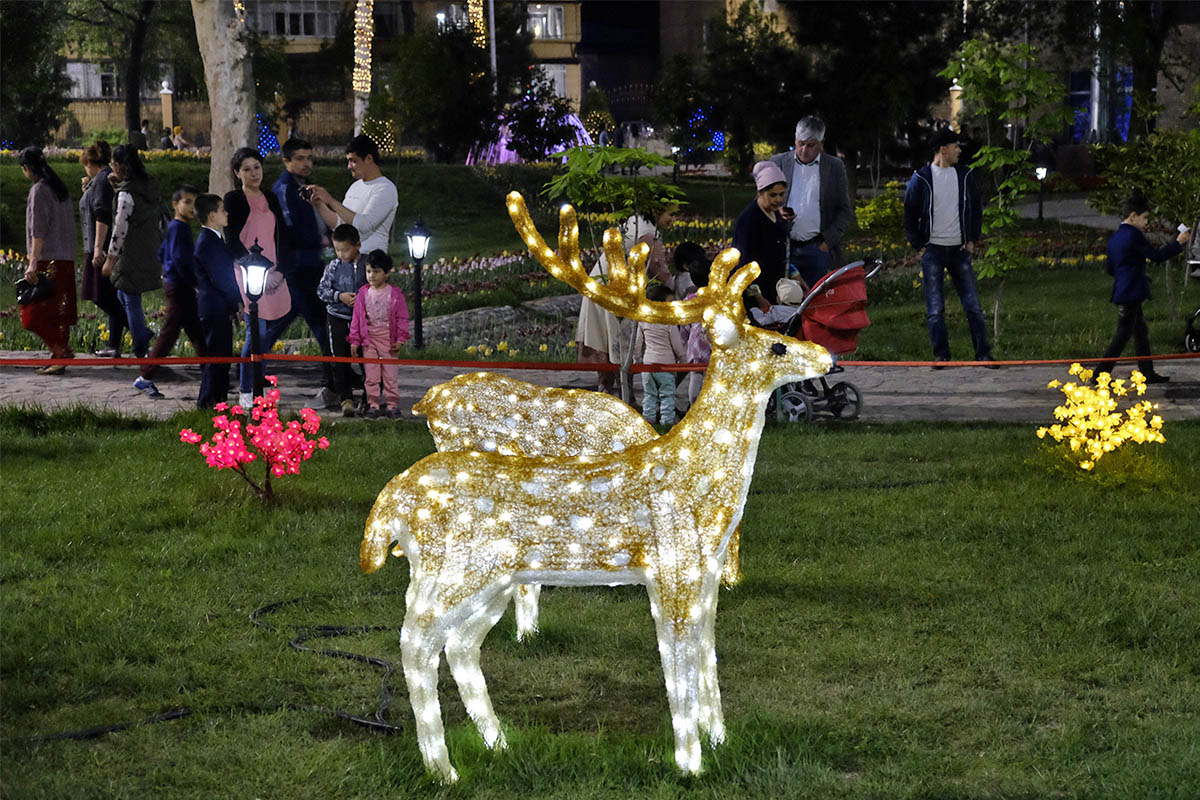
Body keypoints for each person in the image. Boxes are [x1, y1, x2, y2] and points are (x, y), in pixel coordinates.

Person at [902, 128, 994, 367]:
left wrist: (972, 239)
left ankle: (982, 353)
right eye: (956, 146)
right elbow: (909, 213)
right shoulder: (921, 178)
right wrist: (919, 245)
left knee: (973, 306)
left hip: (959, 250)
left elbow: (975, 208)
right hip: (933, 251)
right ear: (943, 150)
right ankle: (941, 355)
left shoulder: (964, 175)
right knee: (935, 308)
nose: (959, 151)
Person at [575, 204, 677, 395]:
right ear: (656, 211)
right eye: (670, 214)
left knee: (607, 338)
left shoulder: (633, 222)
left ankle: (607, 388)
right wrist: (675, 290)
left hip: (600, 283)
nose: (673, 220)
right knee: (623, 340)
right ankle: (626, 393)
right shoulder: (648, 233)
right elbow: (658, 269)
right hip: (616, 289)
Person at [1092, 192, 1190, 383]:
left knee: (1140, 332)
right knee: (1123, 334)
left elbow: (1111, 268)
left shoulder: (1116, 237)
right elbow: (1157, 256)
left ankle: (1147, 372)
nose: (1146, 223)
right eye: (1144, 218)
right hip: (1131, 292)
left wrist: (1132, 273)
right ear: (1133, 216)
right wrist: (1178, 243)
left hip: (1124, 289)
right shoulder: (1134, 235)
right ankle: (1100, 374)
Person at [270, 137, 336, 408]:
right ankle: (334, 376)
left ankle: (249, 367)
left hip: (310, 262)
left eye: (309, 158)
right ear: (286, 161)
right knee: (319, 321)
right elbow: (287, 228)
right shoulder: (284, 189)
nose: (306, 163)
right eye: (299, 158)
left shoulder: (304, 187)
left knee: (284, 320)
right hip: (298, 265)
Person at [224, 146, 291, 409]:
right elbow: (231, 239)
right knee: (256, 330)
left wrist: (280, 270)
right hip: (248, 271)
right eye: (247, 169)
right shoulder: (234, 199)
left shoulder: (270, 197)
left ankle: (258, 380)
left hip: (273, 271)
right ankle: (246, 392)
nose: (253, 173)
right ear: (237, 173)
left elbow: (282, 234)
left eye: (257, 167)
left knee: (275, 323)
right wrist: (256, 269)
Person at [134, 185, 207, 398]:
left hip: (177, 284)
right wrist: (194, 282)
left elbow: (162, 253)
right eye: (187, 202)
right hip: (180, 286)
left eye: (195, 203)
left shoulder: (176, 227)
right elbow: (179, 259)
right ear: (175, 205)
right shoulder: (179, 228)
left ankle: (211, 373)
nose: (192, 207)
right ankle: (145, 377)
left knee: (196, 332)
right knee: (170, 333)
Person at [769, 116, 855, 288]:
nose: (804, 150)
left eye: (811, 145)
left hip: (816, 249)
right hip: (783, 246)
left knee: (817, 299)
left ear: (821, 143)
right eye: (800, 144)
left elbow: (845, 211)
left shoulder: (834, 167)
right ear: (795, 139)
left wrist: (826, 243)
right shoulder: (778, 162)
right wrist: (778, 213)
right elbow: (761, 203)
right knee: (782, 298)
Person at [18, 146, 78, 374]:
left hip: (47, 259)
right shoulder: (59, 189)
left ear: (26, 168)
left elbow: (38, 230)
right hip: (66, 259)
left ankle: (61, 352)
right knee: (58, 314)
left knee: (31, 314)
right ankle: (59, 353)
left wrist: (33, 261)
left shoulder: (39, 190)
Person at [102, 144, 162, 361]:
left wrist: (110, 261)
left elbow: (120, 229)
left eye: (113, 163)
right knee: (123, 296)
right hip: (149, 249)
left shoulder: (126, 194)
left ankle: (141, 347)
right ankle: (125, 342)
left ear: (119, 165)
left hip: (131, 254)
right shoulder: (147, 187)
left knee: (130, 300)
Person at [306, 134, 397, 255]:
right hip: (347, 261)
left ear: (369, 159)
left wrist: (331, 201)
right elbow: (340, 225)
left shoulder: (385, 188)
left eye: (353, 161)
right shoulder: (355, 187)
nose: (349, 167)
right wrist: (319, 204)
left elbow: (364, 225)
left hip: (371, 261)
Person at [348, 249, 411, 419]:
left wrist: (401, 339)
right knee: (371, 376)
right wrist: (355, 340)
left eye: (376, 272)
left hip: (389, 340)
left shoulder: (395, 294)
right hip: (369, 341)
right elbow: (357, 319)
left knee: (390, 375)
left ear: (387, 273)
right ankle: (373, 405)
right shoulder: (363, 293)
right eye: (369, 271)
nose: (371, 276)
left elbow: (402, 317)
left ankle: (392, 405)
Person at [78, 140, 125, 358]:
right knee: (110, 295)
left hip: (99, 246)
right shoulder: (102, 180)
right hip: (102, 245)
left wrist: (98, 249)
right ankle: (114, 343)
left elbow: (101, 215)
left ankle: (140, 332)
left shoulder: (100, 181)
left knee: (101, 295)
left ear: (89, 162)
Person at [193, 194, 241, 408]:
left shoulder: (213, 239)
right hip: (214, 307)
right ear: (212, 215)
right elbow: (222, 278)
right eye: (222, 210)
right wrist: (236, 302)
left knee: (221, 357)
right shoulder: (208, 242)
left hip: (216, 306)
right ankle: (209, 402)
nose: (226, 213)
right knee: (216, 357)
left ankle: (217, 401)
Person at [317, 223, 369, 416]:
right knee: (339, 360)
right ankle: (346, 399)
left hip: (363, 321)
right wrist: (339, 296)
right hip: (337, 318)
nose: (341, 254)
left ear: (357, 246)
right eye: (337, 250)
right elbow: (322, 290)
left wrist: (363, 299)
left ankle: (369, 397)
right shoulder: (333, 267)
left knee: (367, 360)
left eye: (345, 250)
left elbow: (378, 287)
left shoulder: (368, 266)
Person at [732, 161, 791, 303]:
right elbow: (744, 264)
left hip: (774, 286)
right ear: (760, 193)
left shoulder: (775, 214)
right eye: (773, 195)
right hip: (755, 293)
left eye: (781, 194)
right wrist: (758, 297)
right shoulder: (749, 220)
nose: (778, 200)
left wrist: (795, 275)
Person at [633, 283, 685, 426]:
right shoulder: (669, 322)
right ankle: (667, 422)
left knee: (649, 395)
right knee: (667, 395)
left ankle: (648, 421)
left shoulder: (643, 320)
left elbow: (637, 344)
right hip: (666, 366)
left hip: (648, 365)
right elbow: (677, 345)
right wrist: (683, 360)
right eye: (669, 303)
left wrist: (637, 360)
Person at [676, 242, 712, 407]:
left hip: (696, 344)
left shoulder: (690, 300)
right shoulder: (721, 298)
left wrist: (684, 343)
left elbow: (685, 326)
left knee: (695, 376)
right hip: (715, 344)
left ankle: (693, 404)